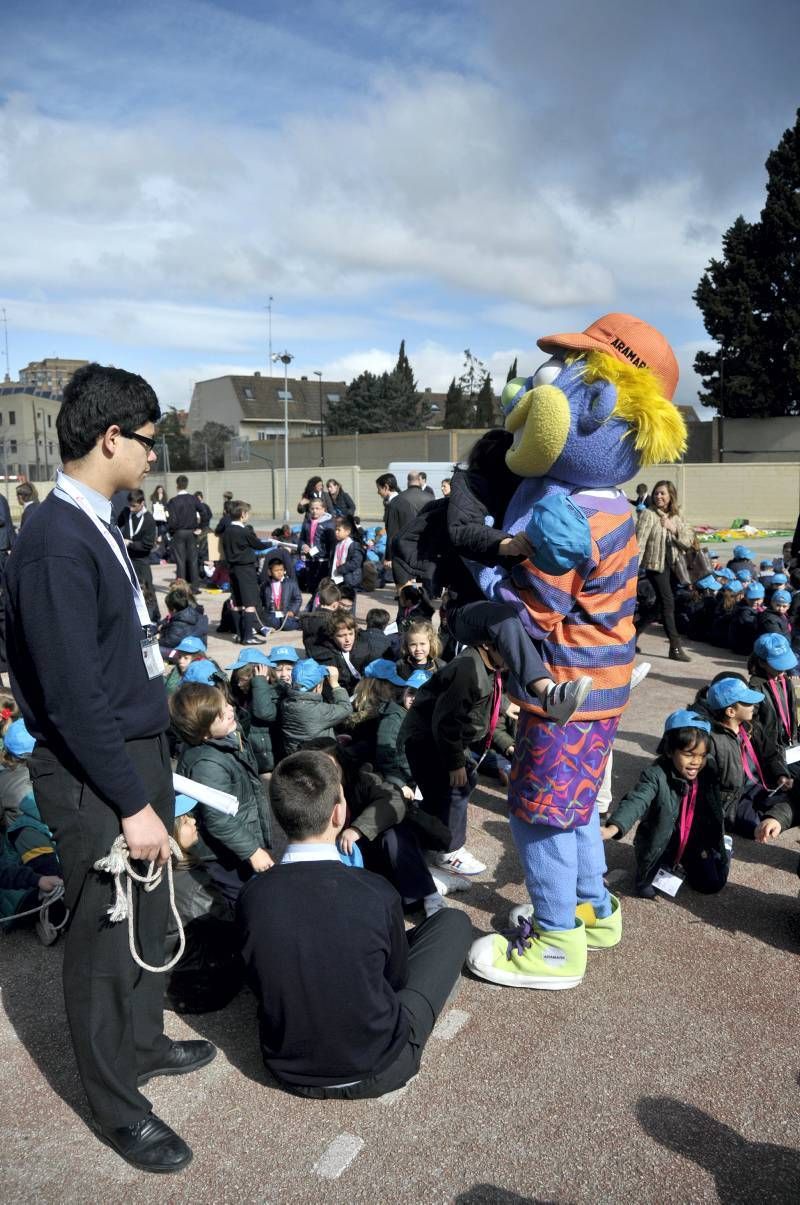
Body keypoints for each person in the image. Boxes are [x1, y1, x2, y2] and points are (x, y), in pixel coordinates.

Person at [4, 362, 213, 1173]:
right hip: (96, 773)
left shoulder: (97, 521)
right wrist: (130, 802)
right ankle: (118, 1106)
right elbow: (72, 695)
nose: (156, 456)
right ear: (112, 436)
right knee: (102, 936)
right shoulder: (54, 540)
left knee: (151, 916)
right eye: (151, 441)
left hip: (135, 752)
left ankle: (144, 1040)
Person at [237, 750, 472, 1098]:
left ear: (279, 815)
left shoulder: (252, 895)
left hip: (286, 1067)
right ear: (338, 813)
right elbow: (397, 980)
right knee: (454, 921)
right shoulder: (375, 891)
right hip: (382, 1065)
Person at [601, 710, 729, 897]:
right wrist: (613, 827)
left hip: (695, 841)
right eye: (689, 754)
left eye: (702, 755)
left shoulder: (708, 770)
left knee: (712, 883)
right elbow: (637, 800)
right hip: (661, 844)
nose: (696, 762)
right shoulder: (655, 775)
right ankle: (662, 865)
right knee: (646, 891)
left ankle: (723, 849)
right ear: (669, 750)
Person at [171, 684, 273, 901]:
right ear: (205, 733)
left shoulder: (224, 739)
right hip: (222, 854)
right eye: (220, 714)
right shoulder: (208, 764)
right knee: (241, 900)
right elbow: (217, 819)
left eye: (226, 703)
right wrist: (252, 851)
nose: (229, 710)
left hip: (235, 843)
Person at [635, 479, 694, 661]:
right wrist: (633, 568)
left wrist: (673, 528)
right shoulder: (648, 515)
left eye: (663, 493)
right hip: (655, 566)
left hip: (674, 566)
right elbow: (640, 542)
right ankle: (675, 648)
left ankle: (632, 635)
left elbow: (688, 539)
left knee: (660, 606)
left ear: (671, 496)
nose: (658, 496)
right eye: (656, 493)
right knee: (668, 604)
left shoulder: (677, 515)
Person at [220, 500, 270, 645]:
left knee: (236, 602)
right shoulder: (244, 531)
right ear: (243, 514)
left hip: (233, 569)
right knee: (249, 603)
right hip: (245, 569)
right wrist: (272, 542)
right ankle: (248, 636)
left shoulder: (227, 531)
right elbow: (258, 545)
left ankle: (238, 634)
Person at [280, 659, 352, 754]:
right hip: (319, 758)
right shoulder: (319, 711)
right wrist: (335, 685)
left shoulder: (286, 703)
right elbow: (346, 708)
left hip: (295, 756)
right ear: (318, 687)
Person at [117, 489, 158, 618]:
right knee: (127, 586)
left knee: (148, 587)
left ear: (142, 503)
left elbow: (147, 545)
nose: (131, 508)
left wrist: (130, 543)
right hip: (128, 557)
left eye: (134, 506)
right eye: (130, 505)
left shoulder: (149, 520)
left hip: (141, 559)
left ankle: (154, 617)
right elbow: (116, 525)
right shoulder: (126, 512)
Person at [167, 475, 202, 593]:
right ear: (187, 485)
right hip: (191, 531)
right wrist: (201, 527)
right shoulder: (193, 499)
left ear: (177, 485)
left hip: (178, 532)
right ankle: (195, 586)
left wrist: (172, 531)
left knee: (180, 560)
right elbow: (204, 512)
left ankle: (181, 587)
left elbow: (170, 520)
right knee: (193, 559)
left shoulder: (173, 501)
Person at [298, 497, 335, 595]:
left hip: (322, 562)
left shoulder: (329, 523)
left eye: (317, 508)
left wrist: (314, 550)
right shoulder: (307, 522)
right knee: (312, 587)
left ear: (323, 509)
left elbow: (329, 544)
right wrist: (303, 546)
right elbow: (301, 539)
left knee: (322, 589)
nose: (314, 511)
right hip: (310, 561)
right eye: (312, 508)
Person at [260, 556, 302, 631]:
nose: (279, 572)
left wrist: (292, 611)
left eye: (281, 570)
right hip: (271, 613)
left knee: (286, 624)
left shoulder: (291, 583)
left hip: (286, 613)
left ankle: (298, 623)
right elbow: (261, 600)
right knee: (269, 620)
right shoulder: (265, 585)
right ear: (269, 572)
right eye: (276, 570)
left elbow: (298, 599)